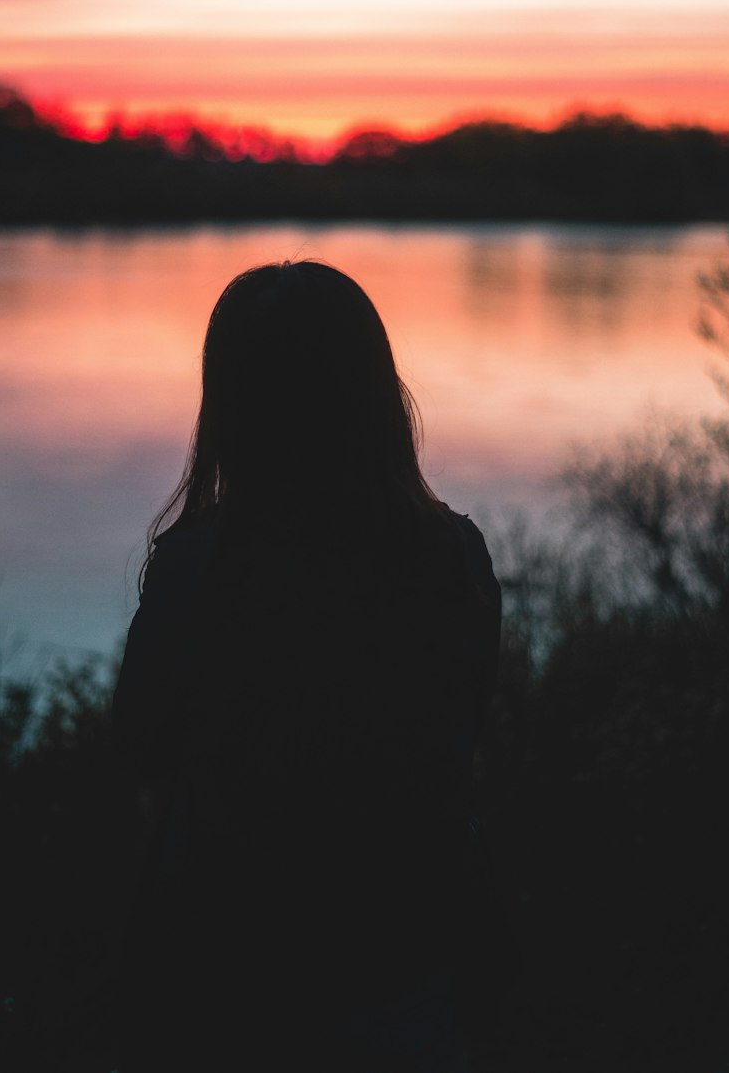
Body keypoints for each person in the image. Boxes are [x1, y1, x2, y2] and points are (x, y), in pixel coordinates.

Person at [113, 259, 502, 1071]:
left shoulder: (197, 567)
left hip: (224, 972)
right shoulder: (452, 557)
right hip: (405, 960)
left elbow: (138, 756)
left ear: (233, 406)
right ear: (374, 394)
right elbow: (466, 741)